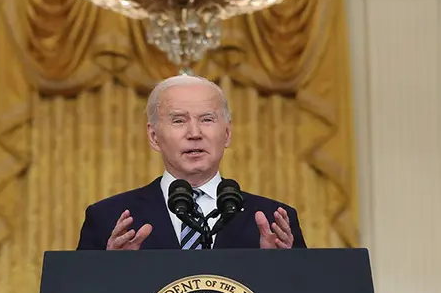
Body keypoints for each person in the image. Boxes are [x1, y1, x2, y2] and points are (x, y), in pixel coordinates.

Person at [75, 74, 307, 251]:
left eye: (207, 119)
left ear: (227, 134)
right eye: (179, 121)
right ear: (154, 137)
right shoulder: (109, 218)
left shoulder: (274, 221)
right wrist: (110, 269)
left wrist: (277, 267)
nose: (194, 133)